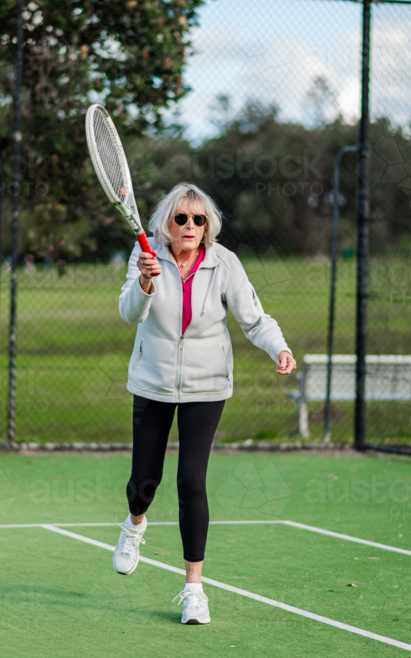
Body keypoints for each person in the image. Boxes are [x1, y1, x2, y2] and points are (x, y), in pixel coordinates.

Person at [112, 183, 296, 625]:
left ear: (208, 225)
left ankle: (194, 590)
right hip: (152, 383)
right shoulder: (148, 256)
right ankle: (135, 524)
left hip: (207, 387)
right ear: (166, 224)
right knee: (144, 481)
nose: (190, 226)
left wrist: (280, 349)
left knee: (191, 481)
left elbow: (254, 318)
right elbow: (128, 313)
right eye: (181, 218)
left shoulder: (224, 262)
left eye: (199, 219)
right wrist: (145, 282)